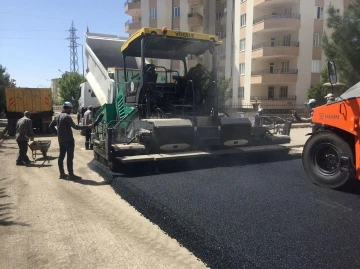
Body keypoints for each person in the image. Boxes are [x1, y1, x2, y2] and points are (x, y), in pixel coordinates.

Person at [49, 102, 93, 180]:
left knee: (61, 157)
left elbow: (50, 126)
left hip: (61, 140)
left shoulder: (57, 116)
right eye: (70, 109)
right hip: (69, 140)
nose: (71, 110)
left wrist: (58, 133)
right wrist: (87, 126)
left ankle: (62, 174)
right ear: (68, 108)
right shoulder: (67, 117)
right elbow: (75, 127)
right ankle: (71, 175)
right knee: (69, 158)